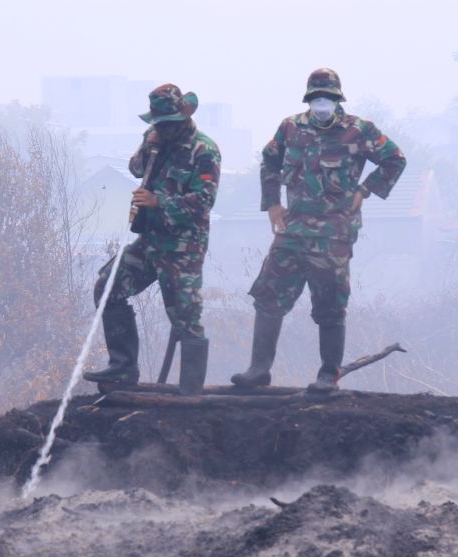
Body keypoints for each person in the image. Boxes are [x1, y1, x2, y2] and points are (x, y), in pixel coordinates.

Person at [231, 68, 406, 393]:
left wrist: (365, 190)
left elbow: (395, 159)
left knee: (330, 303)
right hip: (293, 230)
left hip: (333, 233)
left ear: (338, 100)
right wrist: (271, 202)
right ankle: (258, 370)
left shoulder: (359, 130)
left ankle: (328, 375)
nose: (322, 104)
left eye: (328, 98)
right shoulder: (290, 128)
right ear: (308, 99)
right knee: (269, 294)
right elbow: (269, 160)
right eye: (316, 99)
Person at [83, 83, 221, 395]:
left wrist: (160, 202)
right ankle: (123, 367)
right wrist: (149, 147)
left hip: (184, 246)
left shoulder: (204, 151)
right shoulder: (155, 139)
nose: (163, 129)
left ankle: (191, 389)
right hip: (150, 240)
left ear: (182, 119)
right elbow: (135, 168)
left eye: (168, 123)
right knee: (108, 286)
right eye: (158, 124)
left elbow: (204, 201)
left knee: (185, 314)